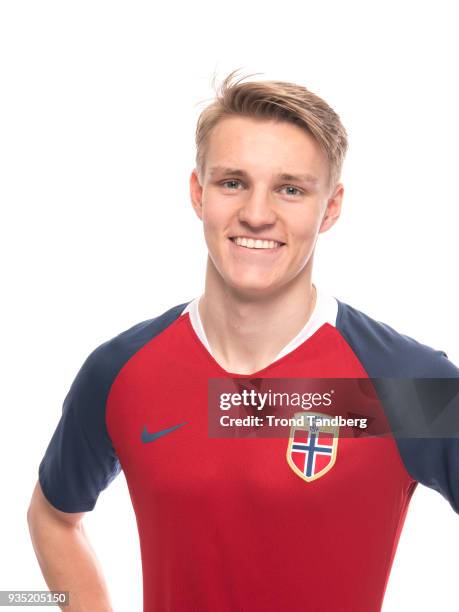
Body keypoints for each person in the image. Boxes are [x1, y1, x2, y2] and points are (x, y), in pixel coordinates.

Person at [27, 70, 459, 612]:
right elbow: (51, 516)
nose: (256, 213)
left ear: (330, 207)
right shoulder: (122, 373)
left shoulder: (402, 386)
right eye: (233, 182)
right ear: (198, 192)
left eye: (290, 189)